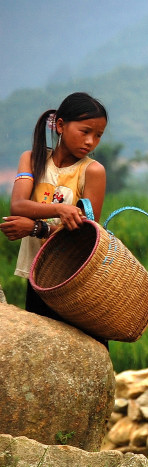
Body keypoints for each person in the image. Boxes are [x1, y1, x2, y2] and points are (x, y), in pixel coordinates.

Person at [0, 92, 108, 322]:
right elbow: (18, 205)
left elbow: (86, 238)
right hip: (37, 274)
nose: (91, 142)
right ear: (60, 126)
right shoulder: (32, 159)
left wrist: (36, 228)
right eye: (85, 131)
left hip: (70, 278)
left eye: (98, 135)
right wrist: (60, 210)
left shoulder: (92, 171)